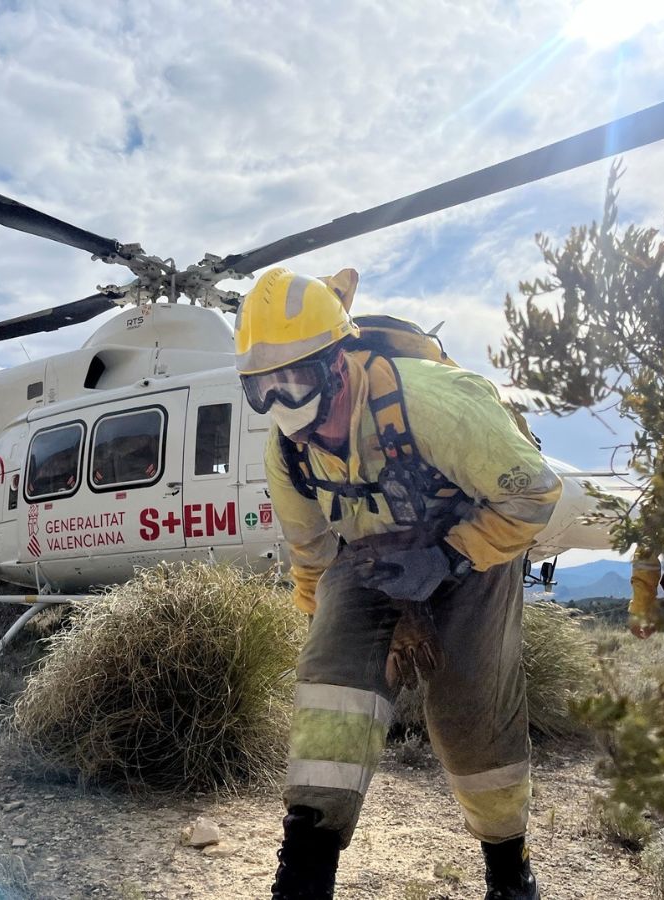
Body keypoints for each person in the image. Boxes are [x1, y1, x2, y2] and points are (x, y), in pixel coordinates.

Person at [234, 267, 563, 900]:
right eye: (260, 391)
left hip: (476, 544)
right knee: (331, 681)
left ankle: (507, 867)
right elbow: (310, 555)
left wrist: (449, 556)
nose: (282, 407)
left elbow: (535, 497)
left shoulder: (435, 403)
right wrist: (339, 637)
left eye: (295, 379)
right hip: (371, 558)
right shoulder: (288, 452)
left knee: (470, 706)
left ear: (337, 364)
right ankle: (304, 870)